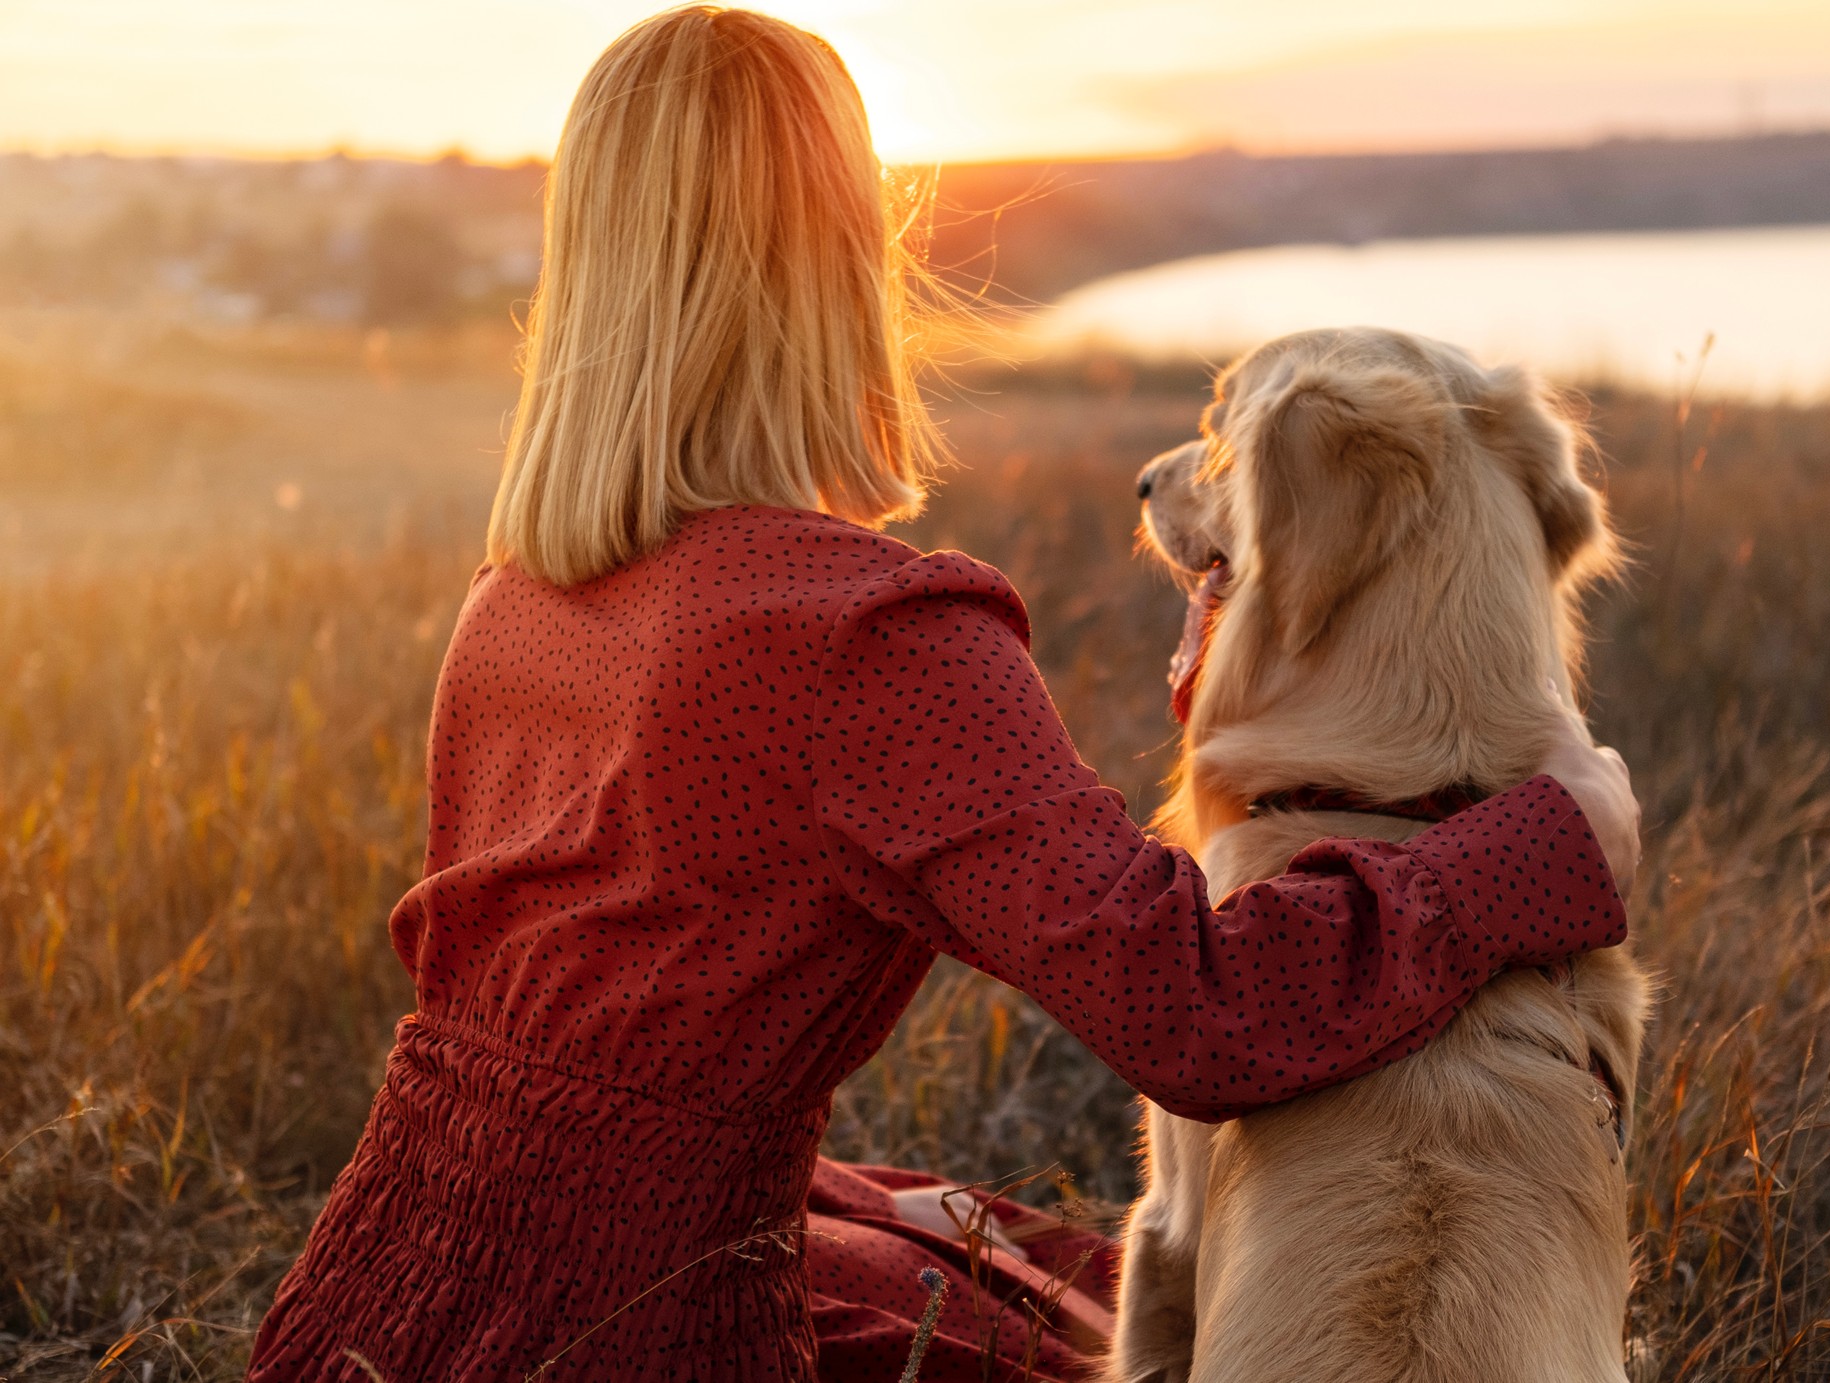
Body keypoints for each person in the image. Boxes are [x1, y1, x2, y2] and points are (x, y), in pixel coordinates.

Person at [244, 8, 1640, 1381]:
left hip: (369, 1314)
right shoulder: (868, 638)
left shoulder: (519, 597)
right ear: (851, 253)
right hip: (652, 1346)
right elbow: (1196, 1011)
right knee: (1060, 1304)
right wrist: (1533, 853)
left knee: (922, 1229)